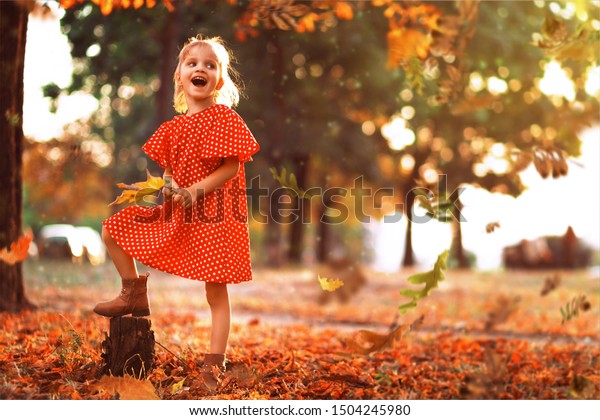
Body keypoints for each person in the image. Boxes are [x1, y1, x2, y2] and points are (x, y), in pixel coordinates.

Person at [94, 35, 259, 390]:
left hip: (215, 215)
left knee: (215, 292)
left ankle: (214, 364)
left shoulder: (224, 119)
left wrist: (194, 190)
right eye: (192, 63)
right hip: (179, 211)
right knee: (113, 229)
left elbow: (230, 167)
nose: (201, 68)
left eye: (210, 65)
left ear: (220, 79)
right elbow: (170, 170)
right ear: (180, 76)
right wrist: (169, 186)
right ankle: (133, 292)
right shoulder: (173, 128)